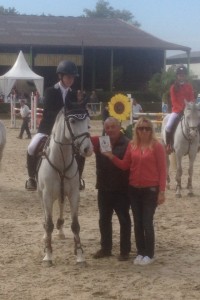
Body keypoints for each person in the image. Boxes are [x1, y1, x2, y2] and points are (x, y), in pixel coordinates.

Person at [103, 117, 166, 265]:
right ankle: (141, 252)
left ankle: (149, 254)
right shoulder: (132, 145)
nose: (144, 131)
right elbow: (125, 165)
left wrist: (162, 191)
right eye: (141, 128)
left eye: (147, 128)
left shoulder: (157, 146)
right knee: (137, 222)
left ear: (151, 130)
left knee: (147, 222)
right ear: (136, 130)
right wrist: (111, 157)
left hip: (150, 189)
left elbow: (163, 170)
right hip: (134, 189)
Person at [25, 60, 79, 191]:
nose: (71, 80)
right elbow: (49, 111)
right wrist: (67, 112)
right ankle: (32, 178)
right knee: (31, 147)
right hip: (48, 128)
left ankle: (79, 178)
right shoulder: (50, 91)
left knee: (81, 150)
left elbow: (75, 112)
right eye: (68, 77)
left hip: (68, 132)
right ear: (61, 76)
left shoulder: (73, 93)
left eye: (72, 77)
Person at [91, 117, 131, 261]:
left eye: (113, 127)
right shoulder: (101, 141)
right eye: (107, 127)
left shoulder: (127, 143)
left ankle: (125, 250)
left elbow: (126, 165)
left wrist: (111, 156)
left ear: (119, 127)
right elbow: (84, 141)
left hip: (122, 189)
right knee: (104, 220)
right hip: (103, 188)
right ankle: (106, 248)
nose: (110, 130)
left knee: (124, 219)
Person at [165, 65, 195, 154]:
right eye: (180, 75)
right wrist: (181, 109)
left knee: (197, 122)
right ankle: (169, 145)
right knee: (168, 126)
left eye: (183, 75)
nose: (181, 76)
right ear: (177, 76)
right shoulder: (173, 87)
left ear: (185, 76)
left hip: (188, 110)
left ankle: (197, 145)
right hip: (177, 110)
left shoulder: (189, 86)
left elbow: (192, 98)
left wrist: (190, 106)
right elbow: (173, 100)